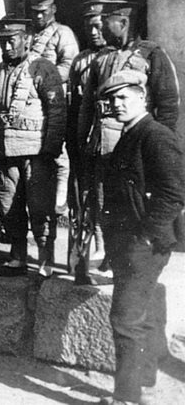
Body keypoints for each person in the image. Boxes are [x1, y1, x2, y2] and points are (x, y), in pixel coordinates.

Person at [97, 70, 184, 405]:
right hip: (128, 243)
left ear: (142, 98)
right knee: (139, 317)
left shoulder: (155, 136)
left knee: (125, 320)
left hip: (143, 244)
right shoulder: (132, 134)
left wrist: (147, 237)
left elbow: (173, 194)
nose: (116, 104)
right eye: (112, 99)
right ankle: (144, 387)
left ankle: (127, 398)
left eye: (124, 98)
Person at [77, 0, 180, 275]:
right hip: (103, 144)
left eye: (106, 19)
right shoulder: (102, 59)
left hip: (137, 144)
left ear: (123, 22)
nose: (100, 25)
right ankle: (110, 255)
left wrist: (154, 144)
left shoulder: (151, 54)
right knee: (104, 202)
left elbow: (168, 104)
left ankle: (134, 256)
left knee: (134, 203)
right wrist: (83, 144)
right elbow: (88, 107)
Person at [0, 15, 66, 277]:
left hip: (37, 153)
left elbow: (57, 111)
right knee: (9, 207)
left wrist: (51, 148)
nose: (6, 47)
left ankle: (45, 259)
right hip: (6, 153)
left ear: (26, 39)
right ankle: (18, 256)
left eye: (11, 41)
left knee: (40, 208)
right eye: (2, 41)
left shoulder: (42, 68)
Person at [26, 0, 79, 219]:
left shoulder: (62, 33)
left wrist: (45, 80)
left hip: (54, 99)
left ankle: (60, 202)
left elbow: (70, 64)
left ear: (53, 10)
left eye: (43, 12)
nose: (38, 17)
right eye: (35, 13)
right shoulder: (28, 35)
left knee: (59, 152)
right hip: (30, 101)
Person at [67, 0, 109, 284]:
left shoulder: (116, 56)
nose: (93, 32)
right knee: (82, 196)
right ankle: (86, 252)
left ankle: (106, 251)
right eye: (89, 27)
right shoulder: (80, 60)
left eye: (98, 26)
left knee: (105, 196)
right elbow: (73, 103)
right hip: (84, 139)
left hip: (109, 141)